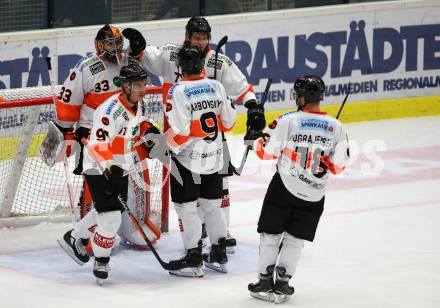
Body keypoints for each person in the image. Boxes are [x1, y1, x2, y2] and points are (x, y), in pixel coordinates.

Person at [141, 16, 266, 253]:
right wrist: (135, 47)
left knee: (206, 194)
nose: (200, 42)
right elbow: (143, 55)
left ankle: (216, 237)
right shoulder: (171, 54)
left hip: (188, 140)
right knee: (204, 196)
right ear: (187, 36)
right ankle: (206, 240)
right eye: (196, 37)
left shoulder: (218, 62)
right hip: (190, 137)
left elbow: (243, 88)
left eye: (204, 38)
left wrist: (254, 108)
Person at [54, 24, 160, 249]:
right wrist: (67, 132)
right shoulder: (86, 67)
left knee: (137, 180)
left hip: (128, 134)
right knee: (98, 188)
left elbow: (143, 87)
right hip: (95, 136)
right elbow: (68, 100)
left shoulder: (129, 63)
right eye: (110, 43)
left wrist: (142, 51)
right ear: (99, 44)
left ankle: (133, 226)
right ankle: (89, 236)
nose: (116, 47)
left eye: (118, 42)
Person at [247, 76, 350, 303]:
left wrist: (255, 140)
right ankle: (283, 283)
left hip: (283, 188)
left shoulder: (289, 120)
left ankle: (265, 281)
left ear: (301, 97)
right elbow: (338, 167)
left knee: (270, 235)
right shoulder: (337, 127)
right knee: (295, 239)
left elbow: (266, 153)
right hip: (314, 195)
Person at [58, 62, 161, 283]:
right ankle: (101, 261)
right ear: (125, 86)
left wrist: (148, 131)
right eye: (138, 85)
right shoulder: (109, 111)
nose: (143, 89)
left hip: (119, 166)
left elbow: (135, 127)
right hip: (98, 167)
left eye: (144, 84)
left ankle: (75, 235)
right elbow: (97, 145)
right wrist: (109, 169)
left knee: (108, 208)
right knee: (112, 216)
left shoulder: (137, 104)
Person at [165, 46, 236, 277]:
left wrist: (166, 146)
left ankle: (194, 258)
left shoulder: (177, 90)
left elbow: (180, 133)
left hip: (188, 160)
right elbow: (228, 123)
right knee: (213, 206)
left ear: (181, 67)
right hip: (214, 157)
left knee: (187, 208)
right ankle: (219, 253)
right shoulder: (217, 86)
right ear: (201, 66)